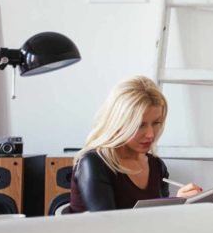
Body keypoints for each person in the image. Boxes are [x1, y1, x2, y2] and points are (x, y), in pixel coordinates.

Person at [69, 76, 203, 212]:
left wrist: (180, 206)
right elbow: (107, 226)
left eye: (156, 123)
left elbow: (158, 224)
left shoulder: (156, 166)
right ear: (118, 123)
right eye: (140, 125)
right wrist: (173, 206)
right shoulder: (94, 164)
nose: (151, 134)